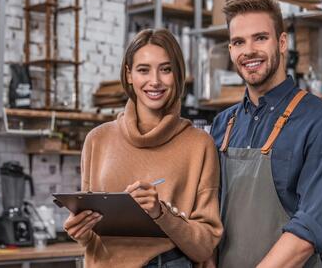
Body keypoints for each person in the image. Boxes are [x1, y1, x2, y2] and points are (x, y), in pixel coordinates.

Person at [63, 29, 223, 268]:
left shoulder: (200, 145)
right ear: (129, 74)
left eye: (166, 69)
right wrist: (81, 230)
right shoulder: (97, 139)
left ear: (177, 74)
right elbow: (92, 238)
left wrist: (160, 213)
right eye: (143, 69)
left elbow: (204, 247)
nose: (155, 81)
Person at [211, 0, 322, 268]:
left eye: (260, 38)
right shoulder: (223, 125)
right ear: (231, 49)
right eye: (238, 42)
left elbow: (312, 226)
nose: (249, 51)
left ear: (282, 43)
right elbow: (208, 218)